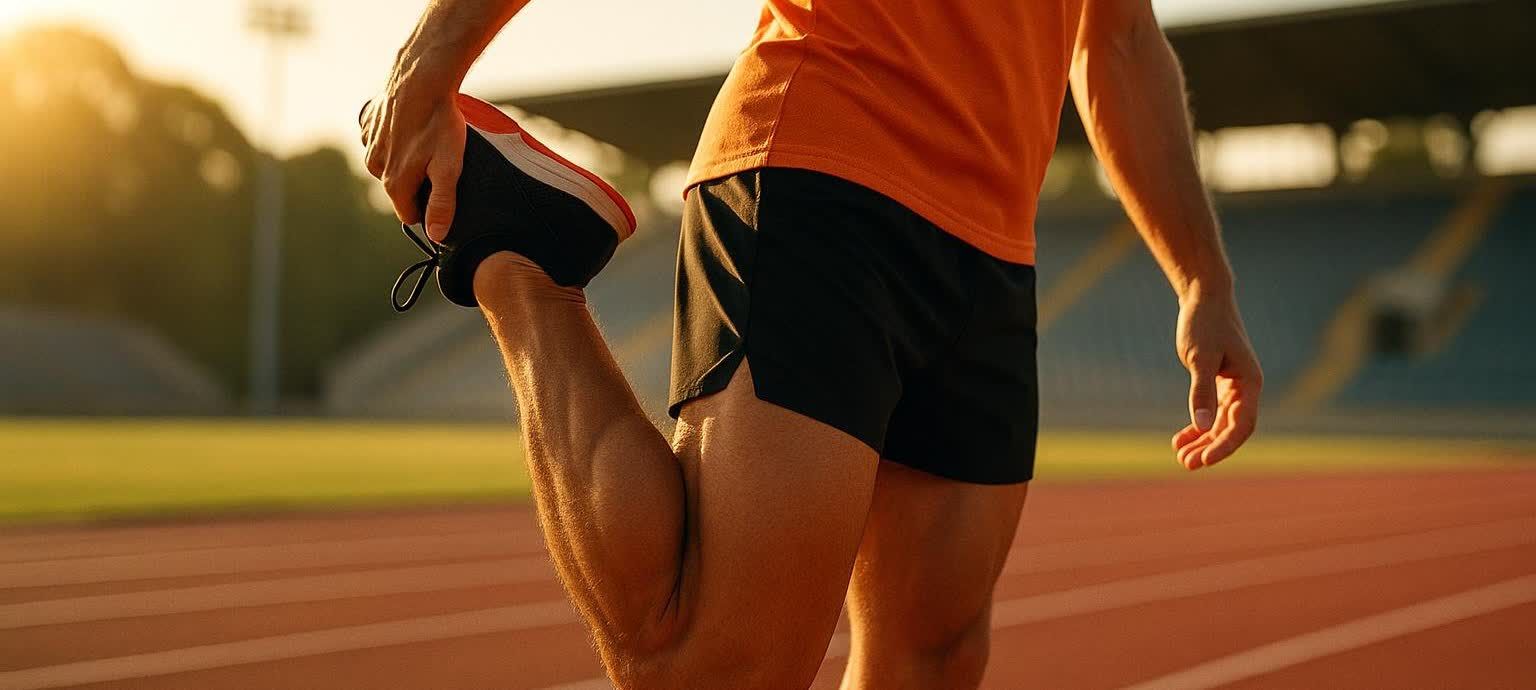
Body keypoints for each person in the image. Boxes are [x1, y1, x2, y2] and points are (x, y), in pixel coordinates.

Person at [360, 0, 1264, 687]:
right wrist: (431, 55)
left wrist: (1203, 279)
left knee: (933, 662)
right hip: (824, 160)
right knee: (706, 665)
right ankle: (516, 260)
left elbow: (1118, 41)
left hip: (994, 243)